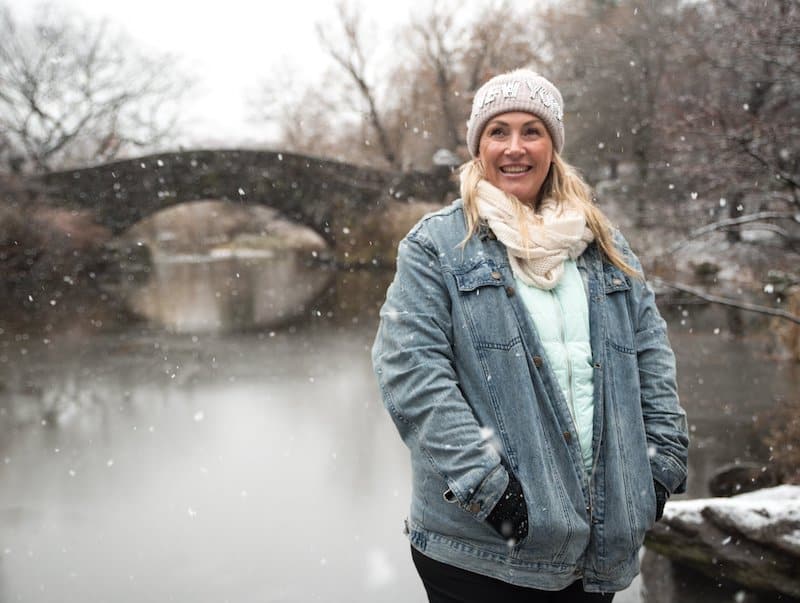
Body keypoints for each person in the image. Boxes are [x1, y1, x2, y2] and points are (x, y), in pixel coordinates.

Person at [371, 68, 689, 602]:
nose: (514, 148)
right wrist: (491, 493)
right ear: (478, 146)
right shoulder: (437, 246)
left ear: (553, 145)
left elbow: (652, 360)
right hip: (483, 548)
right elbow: (411, 372)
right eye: (498, 131)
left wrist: (659, 469)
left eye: (531, 131)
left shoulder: (604, 247)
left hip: (595, 546)